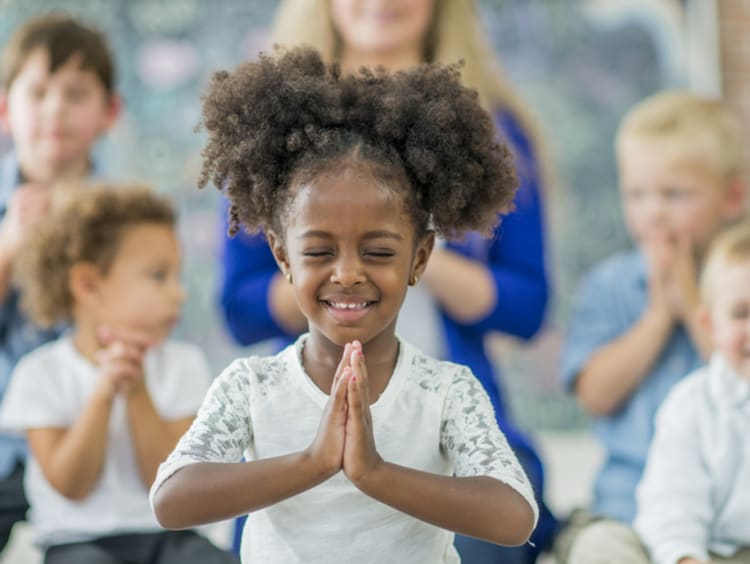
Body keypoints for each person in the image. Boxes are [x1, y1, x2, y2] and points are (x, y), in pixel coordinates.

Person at [151, 46, 539, 564]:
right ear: (282, 256)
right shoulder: (250, 388)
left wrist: (373, 473)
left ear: (420, 258)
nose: (349, 273)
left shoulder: (446, 393)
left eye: (378, 252)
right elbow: (172, 501)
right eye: (319, 252)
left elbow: (514, 516)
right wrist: (314, 462)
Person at [0, 184, 238, 564]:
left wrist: (137, 390)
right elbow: (70, 485)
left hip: (168, 537)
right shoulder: (38, 374)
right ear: (88, 285)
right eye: (159, 276)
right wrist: (104, 393)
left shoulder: (184, 363)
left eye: (178, 276)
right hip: (76, 541)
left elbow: (169, 479)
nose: (178, 294)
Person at [557, 90, 745, 563]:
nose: (654, 211)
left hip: (728, 518)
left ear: (733, 196)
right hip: (628, 510)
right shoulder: (610, 284)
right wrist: (659, 316)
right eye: (637, 194)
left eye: (674, 194)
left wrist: (693, 308)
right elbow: (595, 394)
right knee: (596, 551)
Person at [0, 13, 120, 552]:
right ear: (5, 110)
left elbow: (138, 321)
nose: (54, 109)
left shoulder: (122, 218)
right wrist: (10, 244)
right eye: (38, 92)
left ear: (109, 112)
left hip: (89, 437)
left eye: (75, 94)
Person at [631, 220, 750, 564]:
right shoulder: (692, 404)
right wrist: (684, 556)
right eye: (741, 314)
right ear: (710, 325)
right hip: (703, 550)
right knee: (603, 542)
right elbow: (672, 503)